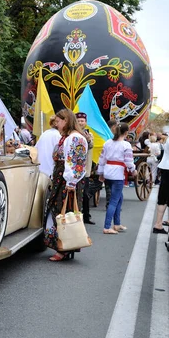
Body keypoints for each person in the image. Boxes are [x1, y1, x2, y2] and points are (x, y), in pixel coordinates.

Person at [44, 109, 88, 261]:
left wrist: (71, 182)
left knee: (65, 211)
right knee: (60, 211)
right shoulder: (67, 137)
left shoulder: (75, 138)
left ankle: (64, 248)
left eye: (59, 121)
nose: (57, 124)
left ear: (66, 121)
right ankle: (63, 246)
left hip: (68, 180)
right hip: (61, 177)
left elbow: (77, 163)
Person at [97, 122, 137, 234]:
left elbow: (102, 159)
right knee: (114, 200)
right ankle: (107, 226)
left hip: (108, 171)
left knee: (118, 198)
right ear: (126, 133)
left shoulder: (107, 143)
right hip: (117, 173)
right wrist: (133, 170)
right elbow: (129, 161)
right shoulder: (126, 145)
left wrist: (100, 172)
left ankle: (117, 224)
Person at [75, 112, 96, 225]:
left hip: (85, 169)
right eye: (78, 121)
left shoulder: (89, 134)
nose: (80, 123)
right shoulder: (72, 134)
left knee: (85, 194)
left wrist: (87, 140)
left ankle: (86, 216)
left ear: (86, 122)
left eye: (82, 121)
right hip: (75, 169)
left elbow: (91, 145)